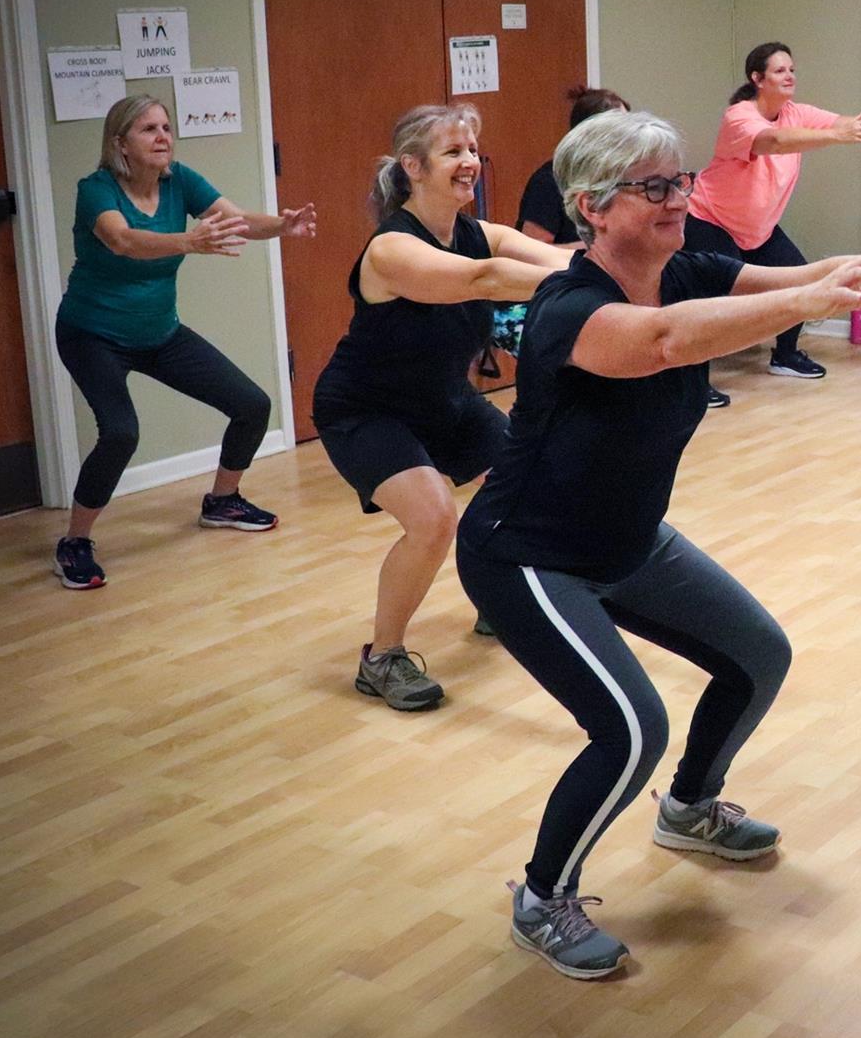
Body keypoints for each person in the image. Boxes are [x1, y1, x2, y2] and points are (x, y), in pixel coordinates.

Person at [455, 109, 861, 979]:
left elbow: (827, 272)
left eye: (680, 179)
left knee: (758, 653)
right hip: (527, 553)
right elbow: (665, 343)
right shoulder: (569, 307)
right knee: (629, 726)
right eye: (654, 186)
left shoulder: (685, 268)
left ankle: (689, 807)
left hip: (629, 540)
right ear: (593, 206)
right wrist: (804, 302)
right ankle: (543, 895)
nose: (679, 197)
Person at [313, 104, 575, 711]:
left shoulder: (478, 231)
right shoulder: (391, 250)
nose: (470, 162)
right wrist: (579, 280)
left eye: (473, 150)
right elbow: (484, 280)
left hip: (445, 400)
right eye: (454, 151)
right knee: (433, 520)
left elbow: (554, 258)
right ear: (413, 166)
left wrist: (615, 256)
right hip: (366, 408)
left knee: (523, 488)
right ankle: (382, 658)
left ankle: (496, 600)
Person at [51, 95, 315, 590]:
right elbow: (122, 240)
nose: (163, 137)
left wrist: (282, 226)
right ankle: (75, 541)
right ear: (120, 143)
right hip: (92, 335)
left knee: (252, 404)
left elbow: (234, 219)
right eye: (149, 129)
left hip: (159, 332)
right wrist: (189, 242)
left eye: (167, 127)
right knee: (120, 432)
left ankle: (221, 501)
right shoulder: (96, 189)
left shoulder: (181, 182)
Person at [685, 41, 861, 395]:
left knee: (800, 280)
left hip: (758, 231)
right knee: (715, 297)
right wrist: (835, 135)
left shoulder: (797, 113)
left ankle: (785, 356)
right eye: (780, 70)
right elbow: (775, 142)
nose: (789, 76)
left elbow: (853, 124)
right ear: (757, 78)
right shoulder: (739, 116)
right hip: (709, 219)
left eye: (792, 70)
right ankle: (691, 382)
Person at [519, 87, 630, 246]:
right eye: (620, 131)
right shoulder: (550, 180)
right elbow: (530, 250)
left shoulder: (628, 175)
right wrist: (598, 249)